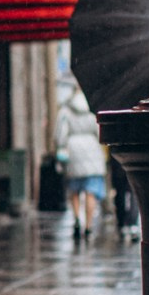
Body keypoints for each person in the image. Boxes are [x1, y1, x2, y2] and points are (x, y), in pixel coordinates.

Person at [59, 90, 106, 241]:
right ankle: (89, 226)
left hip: (73, 151)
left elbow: (60, 134)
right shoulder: (92, 109)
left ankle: (77, 219)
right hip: (91, 151)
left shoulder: (66, 110)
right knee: (90, 191)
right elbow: (99, 133)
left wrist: (62, 147)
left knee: (74, 189)